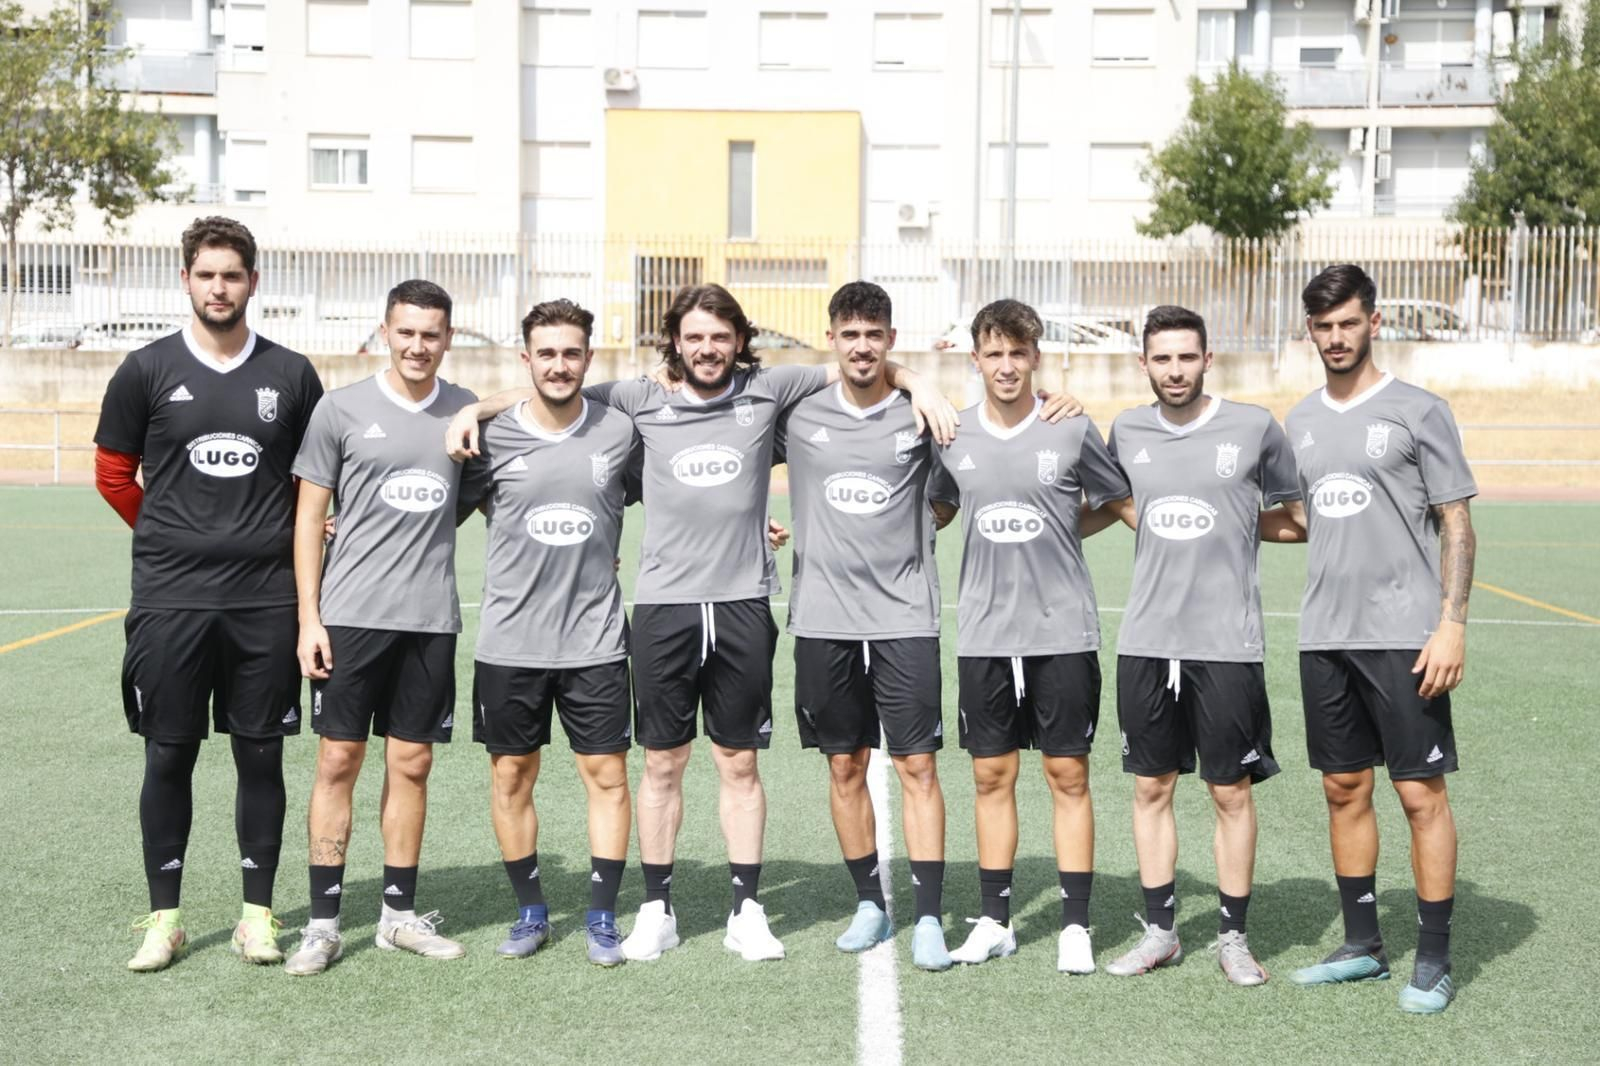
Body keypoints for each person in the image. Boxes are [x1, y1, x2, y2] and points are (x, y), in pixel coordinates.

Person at [447, 283, 957, 962]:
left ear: (738, 341)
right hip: (664, 605)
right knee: (661, 762)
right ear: (675, 343)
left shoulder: (771, 389)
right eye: (694, 337)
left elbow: (857, 363)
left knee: (739, 761)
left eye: (719, 337)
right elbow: (552, 393)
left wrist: (920, 380)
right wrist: (471, 410)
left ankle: (746, 908)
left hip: (745, 600)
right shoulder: (637, 399)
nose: (707, 349)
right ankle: (657, 908)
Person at [94, 216, 324, 971]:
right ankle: (167, 919)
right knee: (169, 754)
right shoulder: (146, 369)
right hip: (172, 598)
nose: (219, 287)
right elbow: (113, 474)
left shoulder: (291, 376)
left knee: (261, 756)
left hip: (266, 599)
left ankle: (256, 917)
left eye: (232, 274)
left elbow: (310, 485)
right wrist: (167, 530)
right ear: (185, 280)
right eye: (206, 274)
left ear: (253, 282)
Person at [1283, 264, 1477, 1014]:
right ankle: (1362, 946)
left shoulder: (1419, 410)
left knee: (1419, 793)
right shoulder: (1298, 420)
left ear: (1375, 321)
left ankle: (1433, 958)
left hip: (1405, 637)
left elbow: (1454, 519)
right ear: (1311, 332)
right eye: (1323, 327)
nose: (1336, 339)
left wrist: (1452, 623)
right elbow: (1304, 518)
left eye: (1348, 324)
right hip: (1324, 633)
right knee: (1342, 788)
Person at [283, 280, 485, 975]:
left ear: (449, 338)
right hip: (349, 618)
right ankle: (322, 923)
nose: (418, 345)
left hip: (429, 620)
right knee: (338, 761)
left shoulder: (466, 410)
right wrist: (309, 618)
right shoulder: (340, 410)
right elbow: (310, 517)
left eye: (432, 333)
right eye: (407, 332)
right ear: (385, 332)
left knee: (413, 764)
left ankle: (398, 916)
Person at [1100, 305, 1302, 986]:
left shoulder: (1252, 426)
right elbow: (1117, 501)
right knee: (1151, 785)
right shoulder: (1126, 429)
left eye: (1187, 357)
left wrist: (1237, 524)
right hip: (1147, 641)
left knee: (1230, 791)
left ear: (1208, 358)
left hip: (1227, 644)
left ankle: (1233, 938)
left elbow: (1296, 515)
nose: (1175, 370)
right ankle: (1161, 933)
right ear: (1144, 363)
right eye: (1162, 359)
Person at [932, 299, 1131, 973]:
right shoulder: (951, 432)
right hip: (985, 633)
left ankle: (1075, 924)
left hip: (1062, 630)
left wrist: (1061, 528)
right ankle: (995, 920)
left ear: (1037, 357)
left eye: (1020, 353)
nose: (1008, 365)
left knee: (1066, 772)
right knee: (991, 775)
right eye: (995, 353)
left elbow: (1118, 502)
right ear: (976, 360)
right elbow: (934, 506)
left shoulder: (1070, 428)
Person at [776, 281, 961, 971]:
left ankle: (931, 917)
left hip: (903, 618)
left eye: (874, 333)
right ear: (832, 337)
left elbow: (950, 495)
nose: (862, 345)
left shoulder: (922, 414)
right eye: (849, 333)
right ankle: (870, 904)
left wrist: (910, 530)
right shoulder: (797, 412)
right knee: (845, 764)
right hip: (822, 620)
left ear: (890, 338)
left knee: (917, 765)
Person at [468, 299, 641, 965]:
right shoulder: (489, 439)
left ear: (588, 359)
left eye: (571, 352)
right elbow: (433, 505)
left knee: (607, 775)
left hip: (594, 640)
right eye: (546, 352)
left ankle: (600, 916)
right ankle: (533, 912)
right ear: (526, 359)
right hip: (510, 642)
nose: (559, 364)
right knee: (512, 774)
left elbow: (684, 496)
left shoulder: (620, 434)